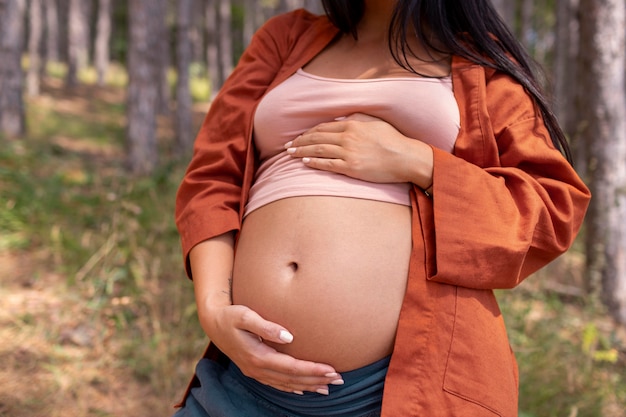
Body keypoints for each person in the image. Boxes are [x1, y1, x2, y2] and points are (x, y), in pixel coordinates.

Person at [172, 1, 591, 416]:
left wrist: (417, 162)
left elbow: (551, 208)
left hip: (397, 392)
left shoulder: (479, 63)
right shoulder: (287, 38)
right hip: (243, 384)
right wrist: (213, 310)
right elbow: (213, 176)